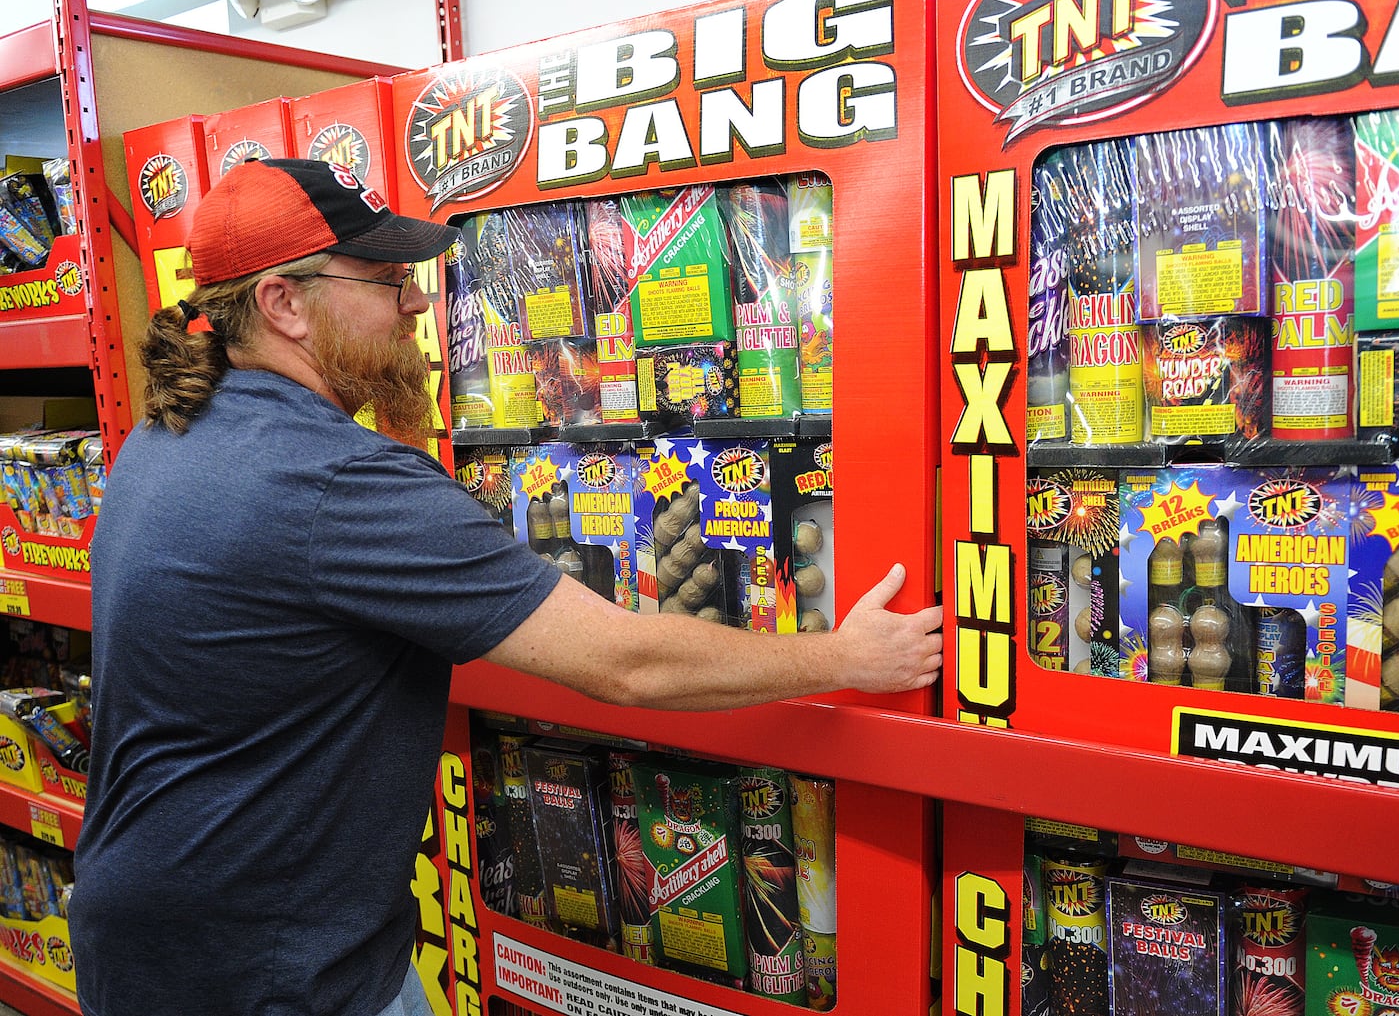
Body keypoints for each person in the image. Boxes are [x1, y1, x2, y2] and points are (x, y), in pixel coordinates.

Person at [69, 158, 941, 1016]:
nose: (418, 301)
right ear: (283, 303)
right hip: (266, 972)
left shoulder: (167, 435)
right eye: (384, 279)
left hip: (149, 934)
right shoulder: (334, 482)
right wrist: (845, 656)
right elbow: (625, 664)